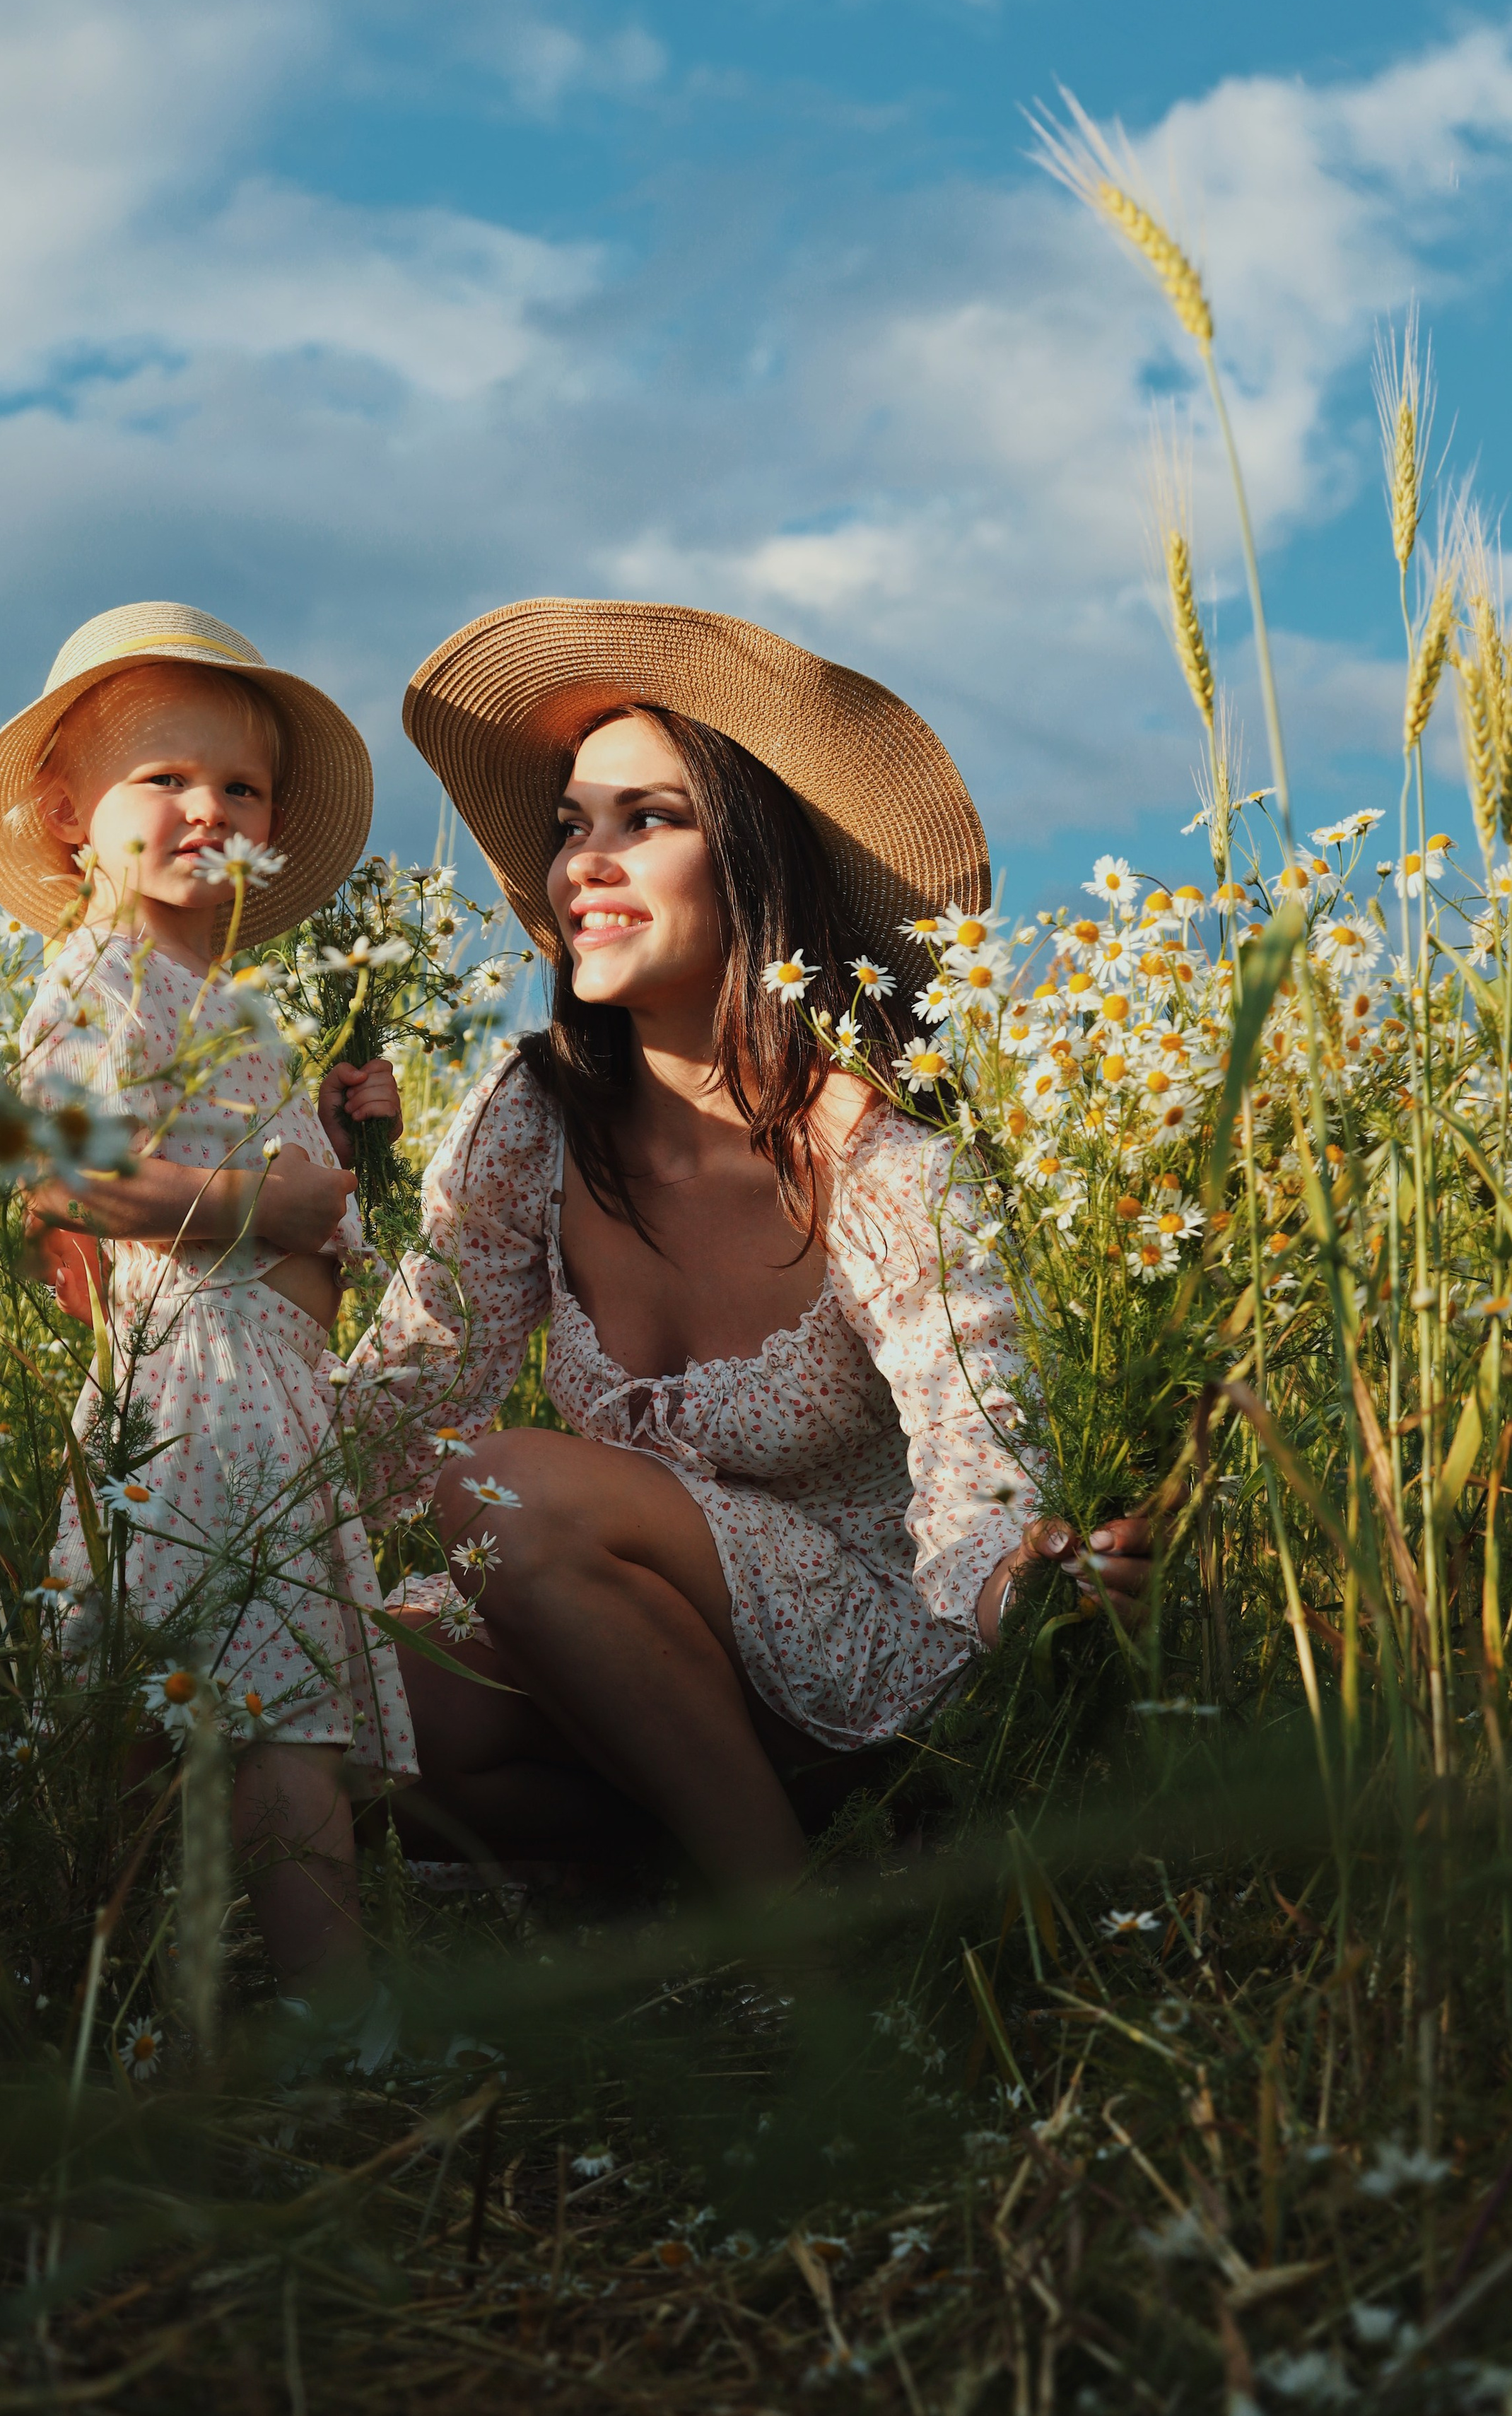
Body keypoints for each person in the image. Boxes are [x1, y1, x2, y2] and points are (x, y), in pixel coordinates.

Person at [351, 597, 1151, 1896]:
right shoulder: (534, 1117)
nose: (585, 864)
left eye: (646, 820)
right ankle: (715, 1862)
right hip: (617, 1639)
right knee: (352, 1709)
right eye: (570, 827)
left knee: (505, 1490)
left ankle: (787, 1937)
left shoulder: (880, 1154)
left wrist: (1031, 1585)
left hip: (864, 1652)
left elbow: (980, 1450)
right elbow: (408, 1390)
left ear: (754, 860)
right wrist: (205, 1436)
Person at [0, 600, 411, 1997]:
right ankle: (328, 2025)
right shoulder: (96, 976)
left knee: (185, 1702)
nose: (208, 808)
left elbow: (255, 1194)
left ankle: (111, 1985)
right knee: (276, 1716)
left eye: (242, 787)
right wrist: (268, 1204)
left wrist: (335, 1145)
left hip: (264, 1386)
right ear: (66, 817)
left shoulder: (226, 1001)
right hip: (202, 1387)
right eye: (164, 778)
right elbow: (71, 1178)